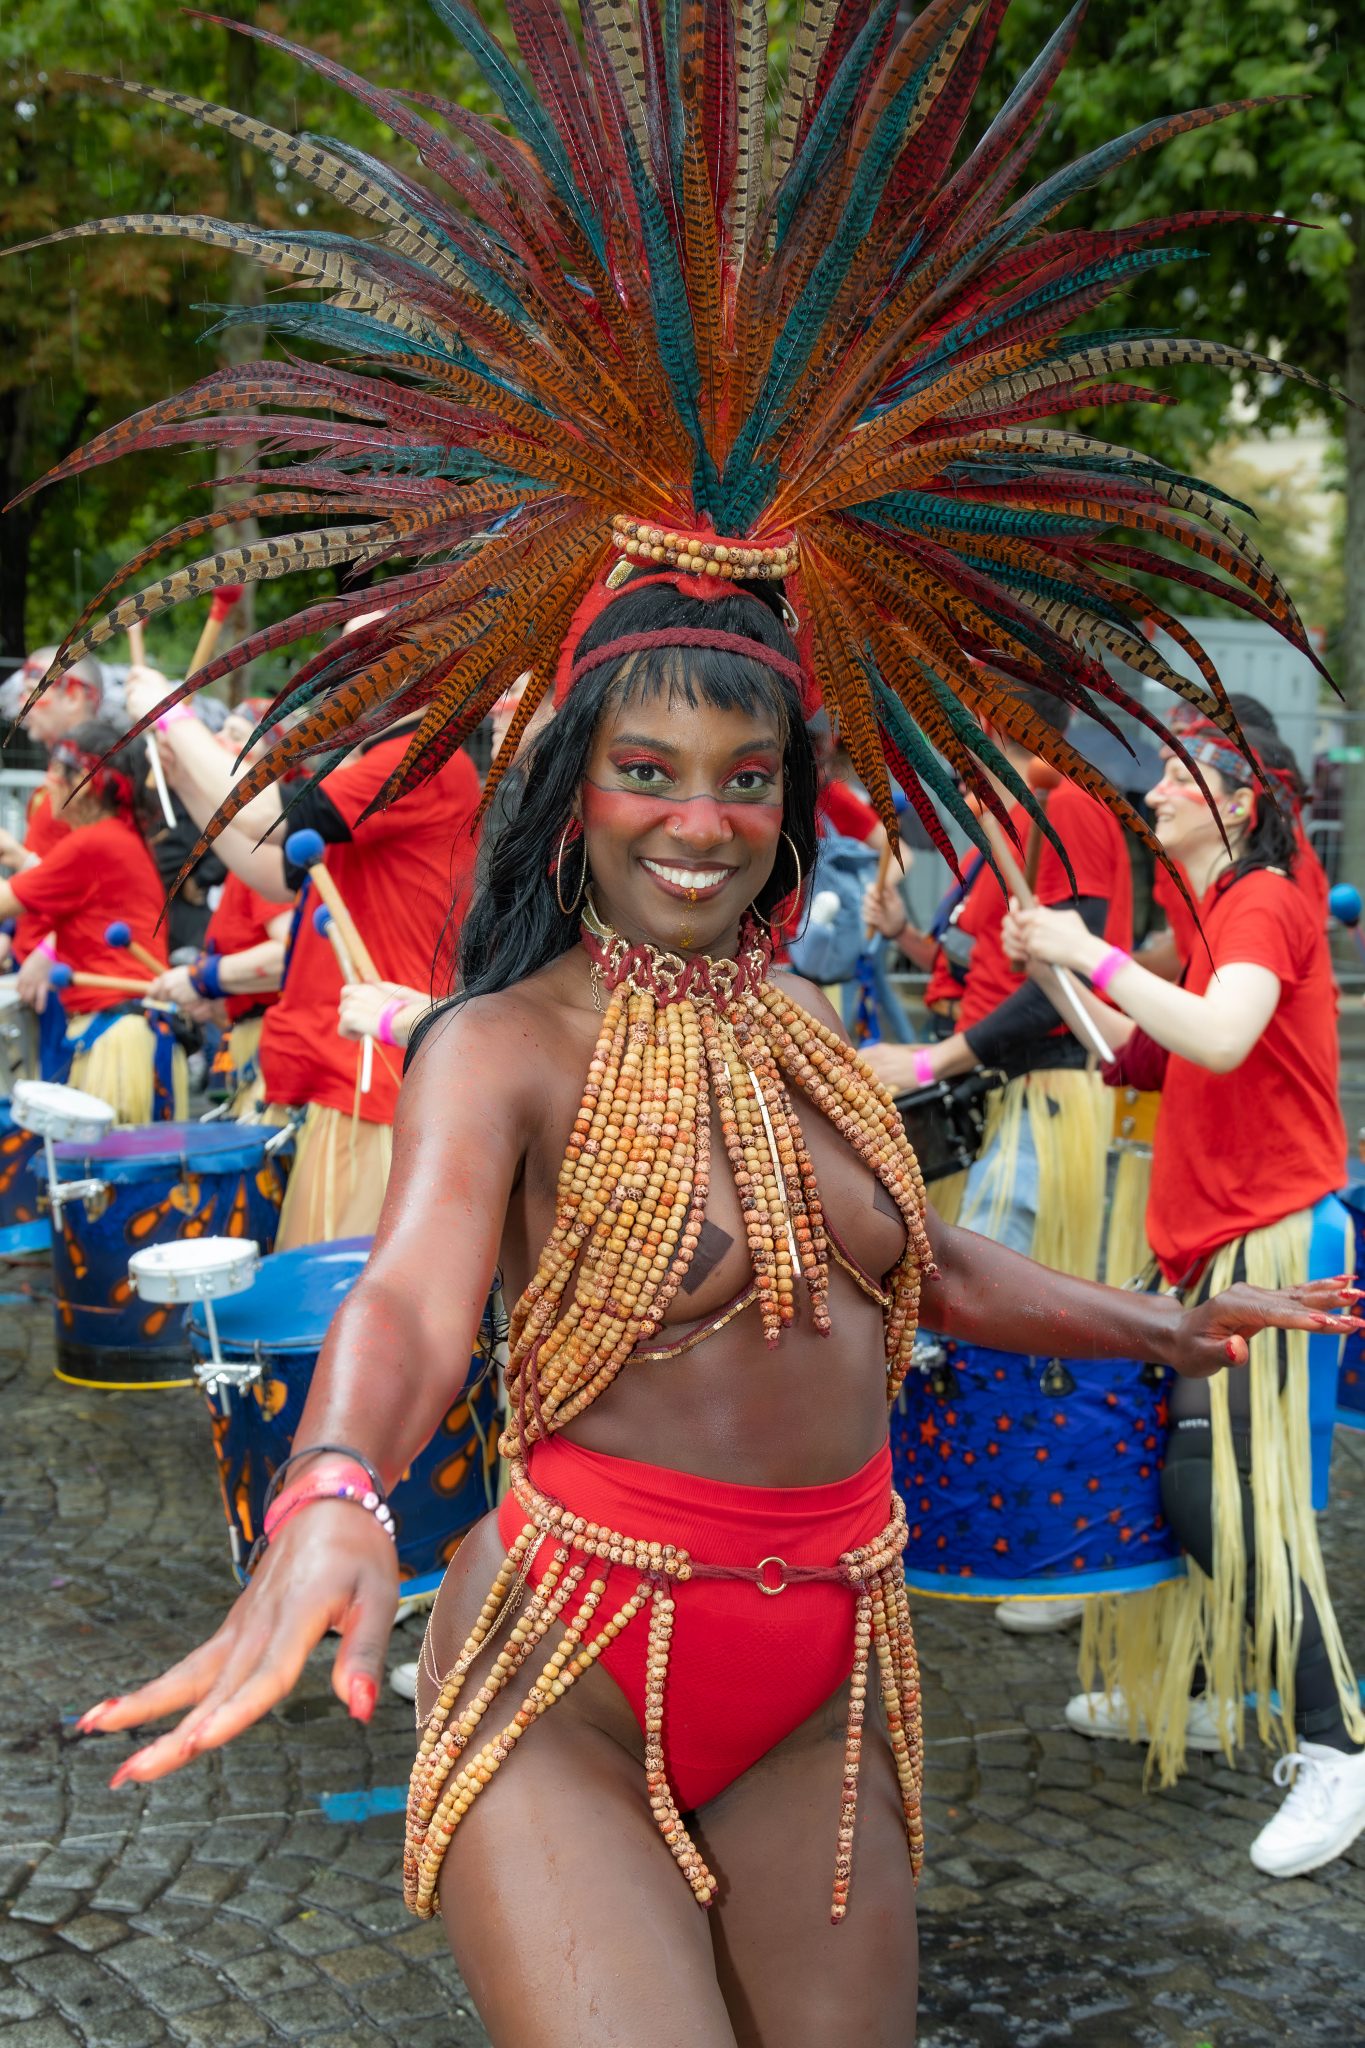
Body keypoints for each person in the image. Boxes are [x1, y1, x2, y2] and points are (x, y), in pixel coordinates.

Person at [32, 5, 1352, 2039]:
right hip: (564, 1649)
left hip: (828, 1664)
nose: (699, 819)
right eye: (647, 769)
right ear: (577, 779)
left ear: (794, 792)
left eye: (744, 778)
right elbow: (408, 1293)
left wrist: (1156, 1326)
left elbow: (921, 1259)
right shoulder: (507, 1041)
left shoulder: (813, 1023)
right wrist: (329, 1489)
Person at [1004, 721, 1365, 1877]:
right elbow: (1136, 1049)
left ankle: (1338, 1740)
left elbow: (1220, 1033)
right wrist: (1055, 965)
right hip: (1214, 1246)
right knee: (1197, 1473)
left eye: (1182, 770)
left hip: (1268, 1239)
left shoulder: (1261, 899)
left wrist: (1091, 950)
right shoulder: (1217, 918)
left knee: (1228, 1489)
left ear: (1244, 800)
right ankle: (1222, 1679)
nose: (1155, 785)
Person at [124, 657, 481, 1247]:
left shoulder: (419, 756)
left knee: (335, 1306)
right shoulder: (382, 761)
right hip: (343, 1060)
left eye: (363, 657)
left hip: (377, 1071)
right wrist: (184, 776)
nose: (334, 677)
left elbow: (265, 816)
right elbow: (274, 874)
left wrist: (174, 712)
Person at [862, 683, 1132, 1282]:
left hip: (1039, 1088)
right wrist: (905, 934)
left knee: (992, 1308)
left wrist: (930, 1064)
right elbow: (981, 970)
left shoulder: (1063, 807)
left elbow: (1058, 988)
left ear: (986, 721)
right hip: (988, 1082)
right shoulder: (1006, 821)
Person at [0, 720, 181, 1121]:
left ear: (83, 779)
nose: (49, 783)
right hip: (127, 1030)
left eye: (56, 770)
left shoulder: (93, 843)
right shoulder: (114, 838)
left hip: (117, 1038)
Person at [146, 698, 292, 1114]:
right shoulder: (244, 856)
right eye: (221, 731)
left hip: (277, 1050)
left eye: (235, 736)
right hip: (256, 1041)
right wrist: (218, 999)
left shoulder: (266, 858)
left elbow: (291, 955)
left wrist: (203, 977)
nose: (215, 741)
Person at [1140, 693, 1330, 980]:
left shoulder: (1273, 885)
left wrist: (1102, 965)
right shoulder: (1185, 845)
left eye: (1184, 737)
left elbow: (1229, 1014)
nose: (1166, 752)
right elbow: (1192, 958)